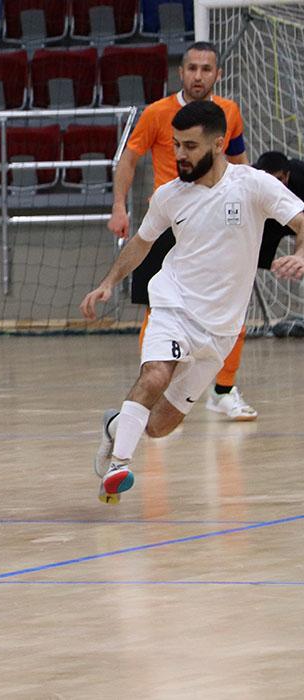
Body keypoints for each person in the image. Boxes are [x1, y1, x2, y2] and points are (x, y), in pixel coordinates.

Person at [81, 101, 304, 505]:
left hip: (220, 329)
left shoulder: (253, 185)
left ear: (218, 145)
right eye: (176, 145)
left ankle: (115, 425)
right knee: (155, 376)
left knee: (160, 426)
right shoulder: (169, 196)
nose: (179, 154)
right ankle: (118, 465)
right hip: (173, 306)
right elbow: (142, 242)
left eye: (189, 146)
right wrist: (108, 283)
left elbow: (301, 220)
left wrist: (301, 253)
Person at [108, 41, 257, 421]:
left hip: (218, 228)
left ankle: (223, 391)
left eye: (206, 69)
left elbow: (240, 163)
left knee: (233, 312)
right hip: (168, 225)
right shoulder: (158, 113)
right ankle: (151, 388)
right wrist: (119, 206)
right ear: (181, 72)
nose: (198, 76)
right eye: (192, 68)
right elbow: (129, 159)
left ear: (217, 74)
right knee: (157, 309)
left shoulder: (229, 112)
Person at [254, 151, 304, 269]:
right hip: (267, 220)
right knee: (250, 260)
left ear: (287, 175)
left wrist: (300, 255)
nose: (274, 186)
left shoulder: (301, 174)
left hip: (299, 213)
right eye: (269, 181)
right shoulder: (249, 181)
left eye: (278, 179)